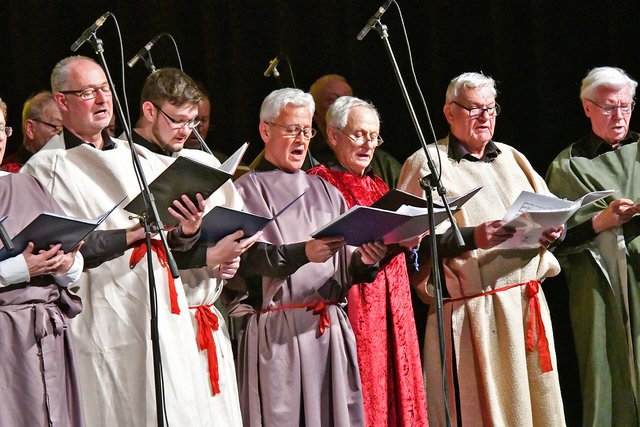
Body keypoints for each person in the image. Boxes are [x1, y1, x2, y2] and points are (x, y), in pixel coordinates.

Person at [22, 55, 214, 426]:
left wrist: (186, 231)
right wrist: (130, 235)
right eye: (87, 92)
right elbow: (56, 251)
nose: (102, 100)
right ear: (62, 102)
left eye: (105, 89)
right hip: (101, 312)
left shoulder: (137, 156)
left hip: (159, 307)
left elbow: (166, 238)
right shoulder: (45, 169)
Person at [398, 72, 566, 426]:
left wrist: (555, 230)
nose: (485, 117)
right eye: (474, 109)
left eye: (490, 108)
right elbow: (410, 245)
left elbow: (549, 210)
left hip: (525, 302)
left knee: (537, 407)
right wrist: (474, 237)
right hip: (474, 313)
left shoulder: (512, 157)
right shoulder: (427, 163)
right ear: (448, 112)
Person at [232, 88, 387, 426]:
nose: (301, 139)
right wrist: (304, 253)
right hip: (277, 333)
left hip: (326, 330)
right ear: (265, 130)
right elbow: (249, 259)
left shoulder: (326, 191)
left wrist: (366, 259)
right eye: (292, 129)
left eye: (306, 130)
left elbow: (347, 263)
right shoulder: (245, 190)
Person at [131, 67, 259, 426]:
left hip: (206, 312)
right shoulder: (126, 162)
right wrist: (207, 255)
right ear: (150, 110)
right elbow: (133, 248)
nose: (187, 131)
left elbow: (231, 225)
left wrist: (228, 259)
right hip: (162, 320)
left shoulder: (201, 161)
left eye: (193, 121)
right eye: (178, 121)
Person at [307, 96, 428, 426]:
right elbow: (326, 249)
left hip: (395, 302)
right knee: (368, 386)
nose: (368, 144)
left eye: (374, 136)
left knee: (399, 382)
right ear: (333, 136)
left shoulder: (378, 183)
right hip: (357, 302)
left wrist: (409, 240)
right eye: (359, 134)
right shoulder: (320, 182)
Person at [545, 66, 640, 426]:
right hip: (599, 287)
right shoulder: (568, 166)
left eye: (626, 106)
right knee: (607, 370)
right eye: (608, 107)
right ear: (587, 108)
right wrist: (602, 221)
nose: (620, 116)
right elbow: (552, 239)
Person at [0, 96, 85, 426]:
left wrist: (64, 265)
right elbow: (24, 265)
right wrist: (22, 268)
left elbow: (74, 262)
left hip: (45, 334)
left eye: (1, 128)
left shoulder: (28, 184)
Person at [309, 74, 402, 188]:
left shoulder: (382, 163)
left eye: (373, 137)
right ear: (315, 111)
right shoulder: (308, 162)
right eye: (333, 100)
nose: (368, 145)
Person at [1, 91, 62, 172]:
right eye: (56, 127)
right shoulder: (8, 173)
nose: (63, 136)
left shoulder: (65, 169)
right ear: (30, 128)